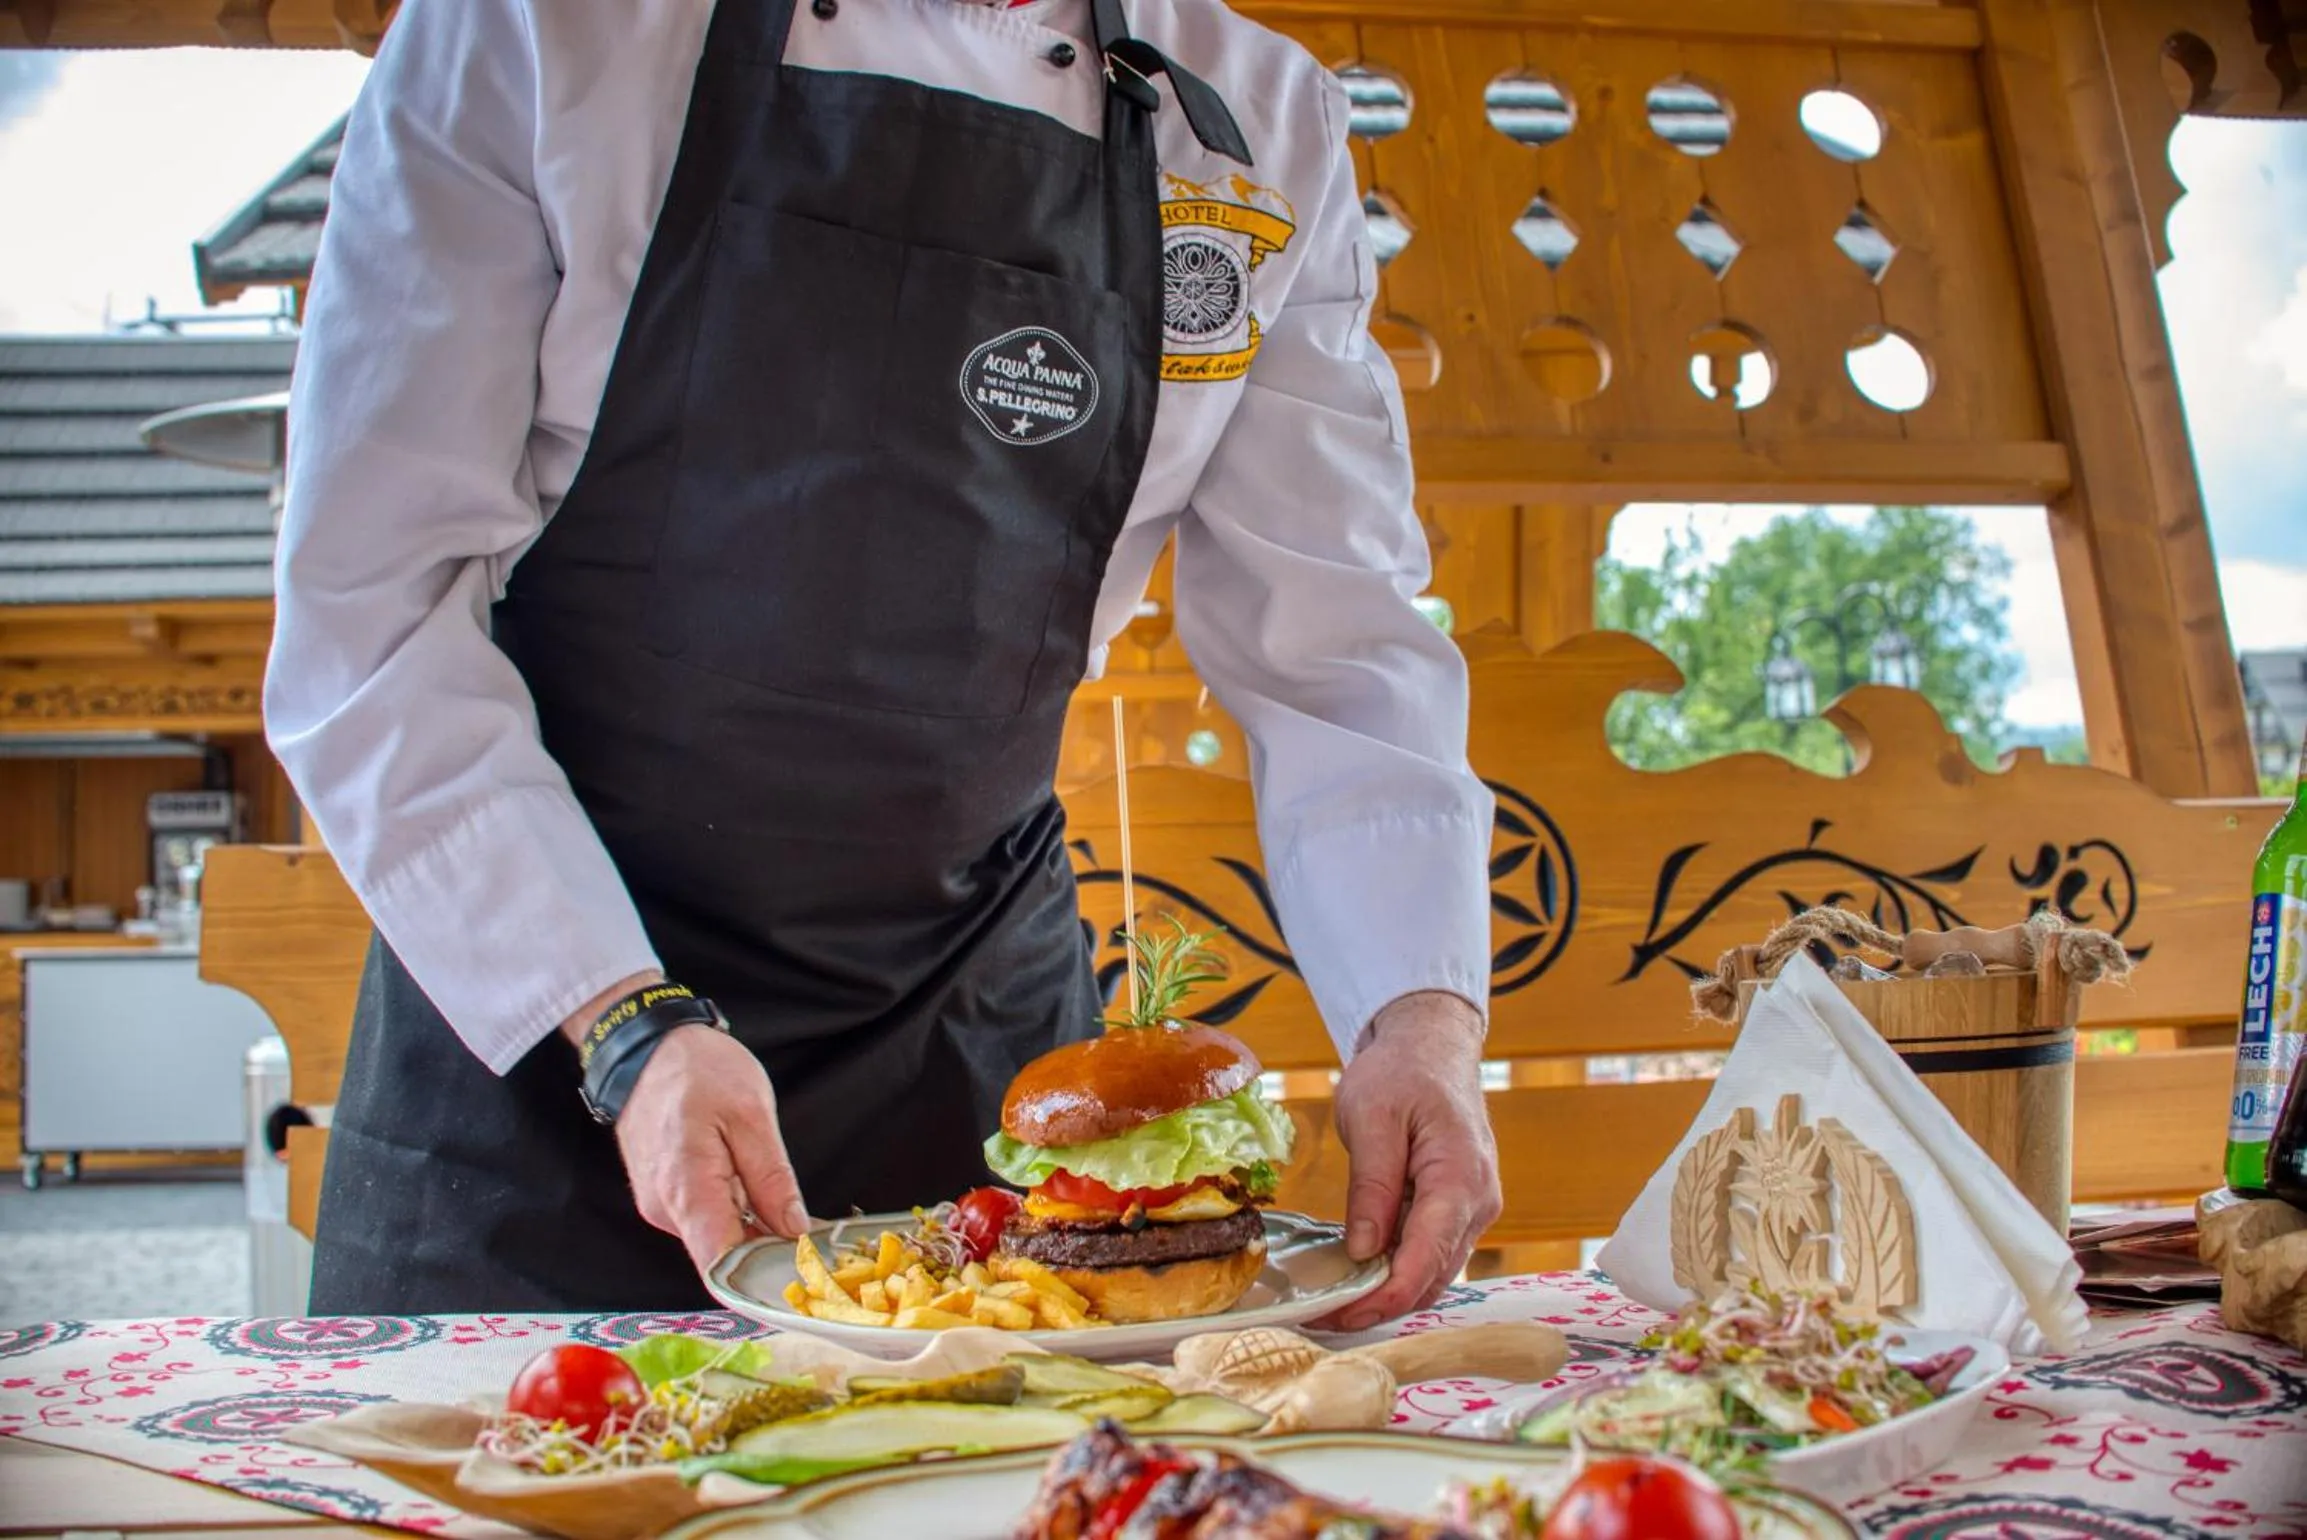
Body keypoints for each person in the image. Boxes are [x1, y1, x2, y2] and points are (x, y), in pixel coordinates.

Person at [267, 0, 1501, 1324]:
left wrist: (1418, 1025)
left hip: (968, 1036)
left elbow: (1339, 641)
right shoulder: (533, 29)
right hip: (545, 1027)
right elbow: (371, 606)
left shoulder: (1254, 114)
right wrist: (623, 1024)